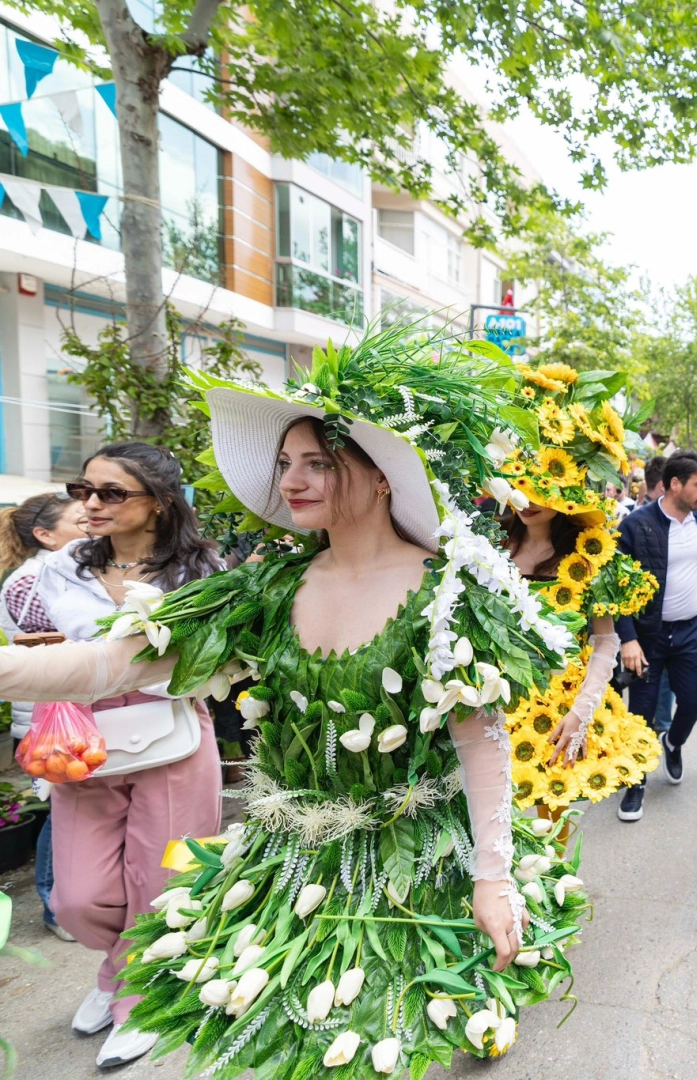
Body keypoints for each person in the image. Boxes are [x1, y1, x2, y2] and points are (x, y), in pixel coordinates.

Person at [0, 331, 580, 1073]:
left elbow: (481, 744)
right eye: (284, 465)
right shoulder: (268, 587)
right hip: (290, 861)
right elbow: (111, 664)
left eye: (317, 463)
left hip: (414, 857)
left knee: (386, 1040)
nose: (293, 481)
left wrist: (491, 877)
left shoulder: (445, 591)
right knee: (289, 1042)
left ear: (380, 479)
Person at [18, 444, 224, 1066]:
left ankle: (136, 995)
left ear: (159, 502)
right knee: (76, 898)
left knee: (163, 879)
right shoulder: (62, 568)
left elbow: (213, 659)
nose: (91, 505)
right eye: (85, 490)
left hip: (173, 731)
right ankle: (122, 968)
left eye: (112, 493)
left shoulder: (199, 570)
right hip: (84, 740)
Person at [497, 362, 661, 814]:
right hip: (496, 702)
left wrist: (581, 712)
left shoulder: (587, 557)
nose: (528, 500)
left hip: (563, 705)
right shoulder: (490, 548)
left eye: (541, 487)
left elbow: (605, 639)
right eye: (519, 486)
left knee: (551, 829)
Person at [0, 490, 86, 942]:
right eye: (79, 518)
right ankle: (53, 904)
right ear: (45, 535)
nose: (91, 522)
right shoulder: (31, 581)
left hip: (66, 717)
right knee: (60, 812)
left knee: (70, 809)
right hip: (48, 722)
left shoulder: (59, 572)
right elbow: (65, 643)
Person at [615, 449, 697, 822]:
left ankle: (672, 743)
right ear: (675, 484)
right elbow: (617, 587)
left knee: (692, 704)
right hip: (647, 638)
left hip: (691, 632)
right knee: (640, 713)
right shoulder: (637, 524)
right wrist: (627, 638)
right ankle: (635, 783)